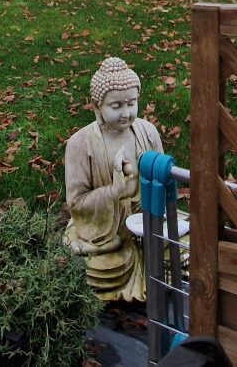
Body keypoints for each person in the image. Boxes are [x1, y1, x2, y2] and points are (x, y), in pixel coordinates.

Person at [63, 56, 164, 301]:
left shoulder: (147, 132)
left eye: (131, 103)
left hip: (146, 221)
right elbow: (75, 202)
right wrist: (115, 191)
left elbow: (163, 178)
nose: (126, 113)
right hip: (104, 231)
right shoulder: (80, 143)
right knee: (102, 268)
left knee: (182, 250)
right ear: (97, 106)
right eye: (116, 106)